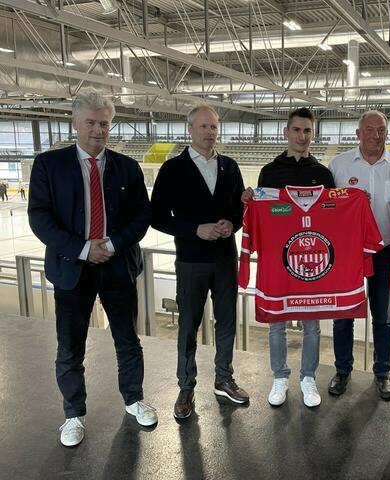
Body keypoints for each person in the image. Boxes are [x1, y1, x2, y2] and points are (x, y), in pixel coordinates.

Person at [28, 89, 156, 447]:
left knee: (128, 340)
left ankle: (133, 399)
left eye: (105, 123)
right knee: (70, 347)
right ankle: (73, 413)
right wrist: (84, 249)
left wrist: (112, 245)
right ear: (75, 123)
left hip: (118, 267)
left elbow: (141, 216)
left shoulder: (127, 167)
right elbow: (40, 218)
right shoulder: (48, 165)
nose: (99, 130)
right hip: (72, 268)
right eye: (91, 122)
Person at [151, 104, 249, 419]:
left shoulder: (230, 167)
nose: (210, 133)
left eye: (214, 127)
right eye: (204, 127)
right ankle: (186, 386)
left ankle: (224, 378)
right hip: (191, 260)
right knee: (189, 325)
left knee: (227, 321)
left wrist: (231, 224)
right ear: (190, 129)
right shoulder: (172, 169)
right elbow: (157, 217)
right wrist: (195, 229)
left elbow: (239, 211)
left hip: (224, 258)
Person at [242, 107, 335, 408]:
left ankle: (308, 377)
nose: (302, 136)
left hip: (311, 261)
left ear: (313, 134)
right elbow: (262, 215)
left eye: (307, 130)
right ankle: (280, 376)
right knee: (277, 322)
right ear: (286, 132)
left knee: (312, 323)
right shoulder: (270, 172)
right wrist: (250, 202)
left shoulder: (323, 174)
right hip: (278, 261)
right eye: (297, 129)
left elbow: (333, 217)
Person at [327, 110, 390, 400]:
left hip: (386, 251)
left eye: (382, 130)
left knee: (383, 317)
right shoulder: (338, 165)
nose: (377, 135)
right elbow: (326, 209)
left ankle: (383, 373)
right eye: (371, 130)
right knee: (343, 314)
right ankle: (342, 370)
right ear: (358, 133)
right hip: (348, 253)